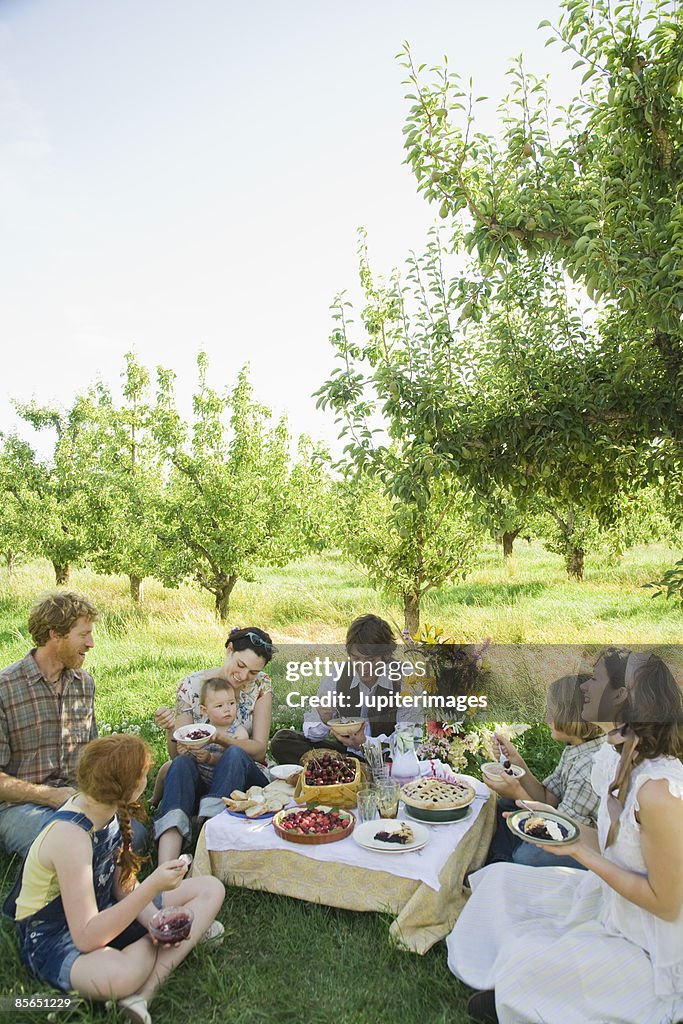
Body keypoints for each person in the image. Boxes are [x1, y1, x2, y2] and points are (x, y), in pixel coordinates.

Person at [447, 648, 683, 1024]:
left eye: (595, 680)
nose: (585, 687)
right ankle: (527, 978)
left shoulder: (658, 791)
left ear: (621, 696)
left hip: (650, 944)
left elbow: (667, 904)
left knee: (528, 955)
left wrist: (577, 851)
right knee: (498, 882)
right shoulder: (613, 757)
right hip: (612, 906)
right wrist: (552, 817)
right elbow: (608, 844)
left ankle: (529, 984)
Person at [8, 733, 224, 1024]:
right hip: (54, 936)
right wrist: (152, 889)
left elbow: (121, 886)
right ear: (132, 789)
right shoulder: (71, 836)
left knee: (210, 888)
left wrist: (155, 922)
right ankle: (168, 953)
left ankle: (142, 995)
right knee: (121, 976)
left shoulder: (106, 809)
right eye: (145, 775)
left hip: (102, 907)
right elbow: (86, 937)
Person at [153, 627, 274, 862]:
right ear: (229, 650)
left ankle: (205, 846)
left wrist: (222, 739)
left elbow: (259, 750)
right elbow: (178, 755)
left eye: (253, 672)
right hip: (202, 772)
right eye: (240, 665)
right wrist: (171, 730)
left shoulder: (261, 685)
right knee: (180, 766)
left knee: (235, 754)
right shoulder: (190, 686)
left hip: (246, 776)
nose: (243, 676)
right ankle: (164, 865)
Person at [0, 591, 99, 858]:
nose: (91, 643)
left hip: (77, 798)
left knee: (133, 834)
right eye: (83, 635)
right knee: (67, 842)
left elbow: (92, 756)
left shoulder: (84, 684)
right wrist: (48, 796)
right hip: (19, 806)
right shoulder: (5, 688)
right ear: (56, 634)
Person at [485, 674, 605, 868]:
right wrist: (515, 760)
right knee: (508, 803)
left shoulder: (589, 768)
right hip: (562, 824)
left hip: (581, 844)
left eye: (552, 712)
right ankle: (502, 854)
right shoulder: (577, 747)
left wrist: (518, 792)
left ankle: (503, 862)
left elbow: (562, 832)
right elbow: (548, 797)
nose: (546, 717)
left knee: (526, 855)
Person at [270, 614, 419, 765]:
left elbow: (409, 741)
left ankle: (343, 769)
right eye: (356, 659)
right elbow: (311, 734)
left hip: (385, 757)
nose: (363, 667)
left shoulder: (405, 679)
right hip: (343, 754)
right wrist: (323, 720)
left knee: (402, 756)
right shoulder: (337, 675)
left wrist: (364, 743)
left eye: (371, 660)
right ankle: (347, 768)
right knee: (283, 740)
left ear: (386, 655)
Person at [151, 679, 248, 805]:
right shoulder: (200, 730)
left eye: (231, 703)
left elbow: (235, 762)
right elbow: (190, 757)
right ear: (204, 710)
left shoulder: (239, 733)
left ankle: (205, 815)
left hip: (224, 783)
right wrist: (186, 751)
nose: (227, 709)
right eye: (219, 706)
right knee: (168, 766)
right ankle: (155, 799)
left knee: (234, 753)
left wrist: (211, 758)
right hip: (200, 778)